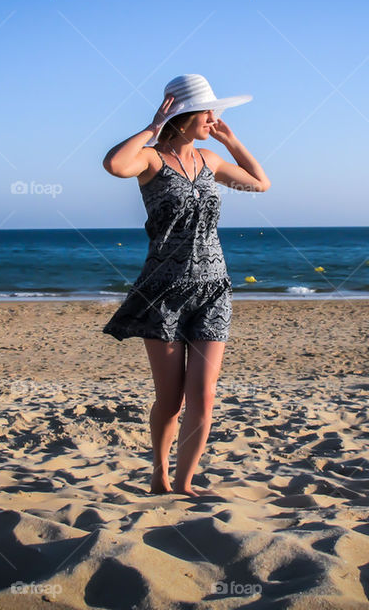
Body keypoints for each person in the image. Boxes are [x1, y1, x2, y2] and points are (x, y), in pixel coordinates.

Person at [101, 74, 270, 496]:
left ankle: (184, 481)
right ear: (184, 115)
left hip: (214, 289)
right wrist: (152, 127)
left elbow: (260, 183)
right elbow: (114, 165)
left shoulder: (210, 160)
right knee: (172, 398)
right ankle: (158, 474)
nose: (214, 118)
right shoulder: (151, 160)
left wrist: (231, 141)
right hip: (164, 292)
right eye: (208, 112)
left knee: (205, 396)